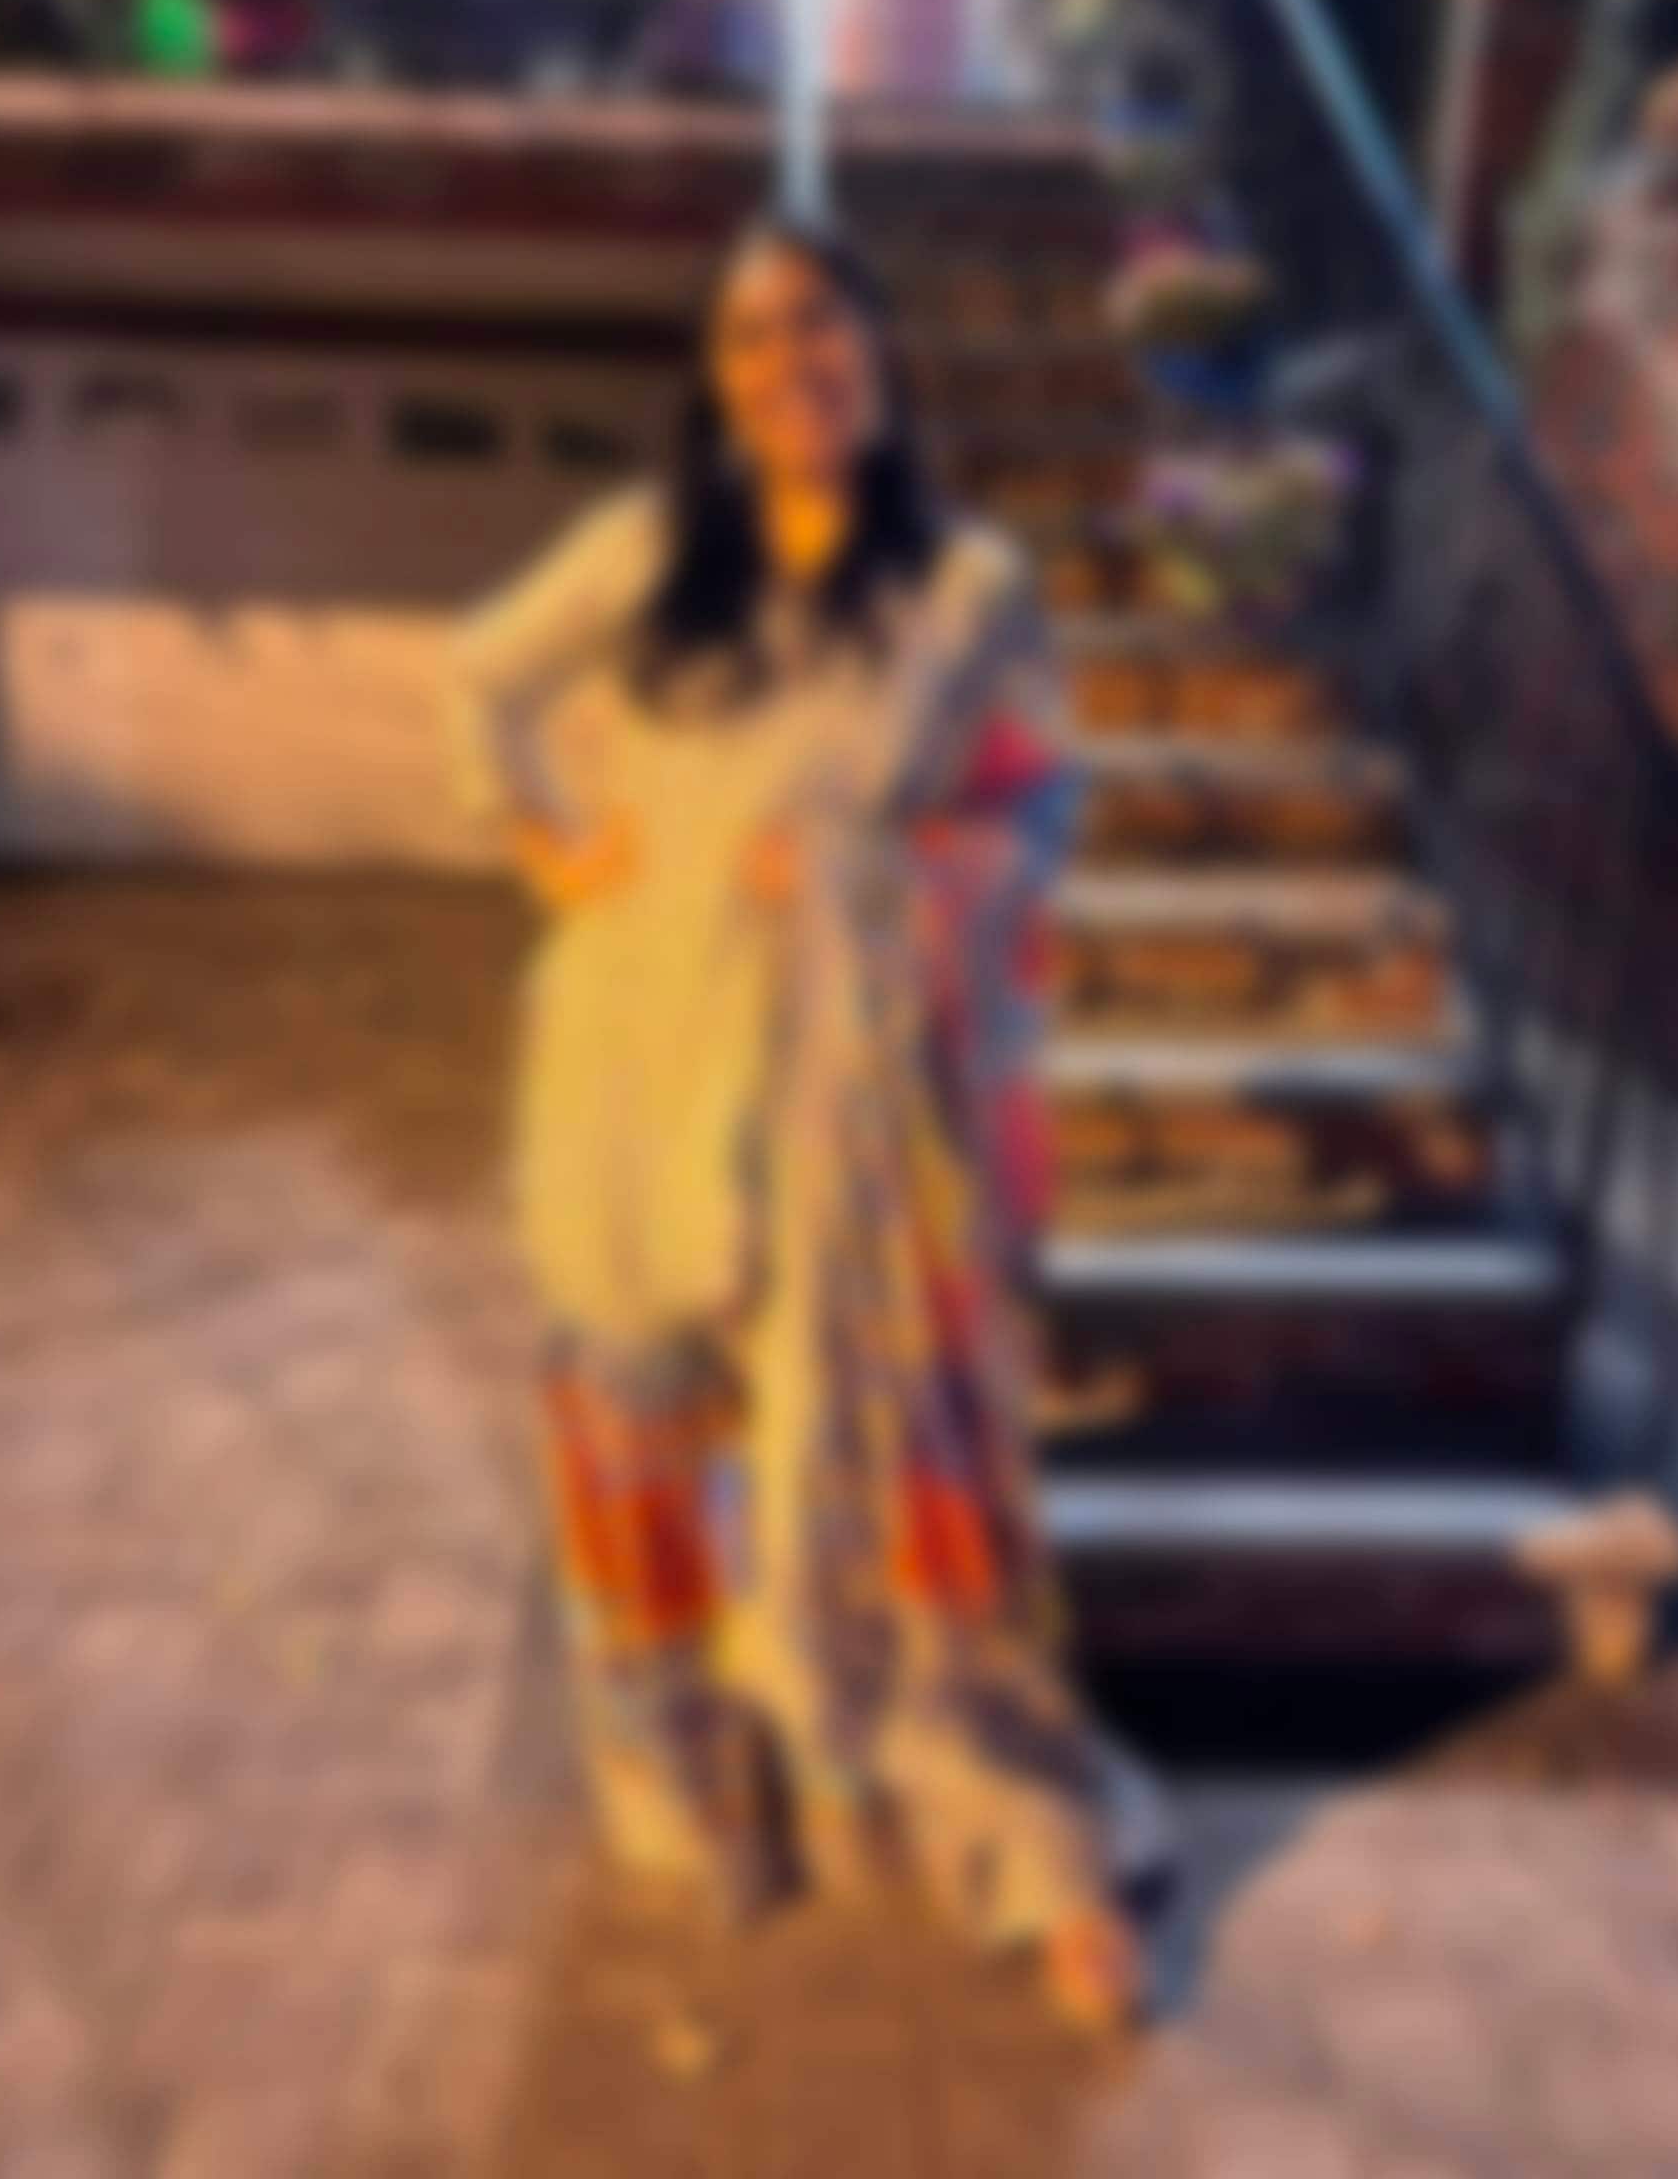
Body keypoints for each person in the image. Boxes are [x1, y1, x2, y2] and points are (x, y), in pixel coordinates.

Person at [449, 217, 1147, 2031]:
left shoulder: (971, 587)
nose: (788, 362)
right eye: (749, 337)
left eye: (819, 320)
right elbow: (480, 676)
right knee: (636, 1404)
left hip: (853, 1078)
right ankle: (692, 1774)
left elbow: (1041, 805)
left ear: (879, 345)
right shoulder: (645, 551)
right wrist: (555, 851)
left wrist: (894, 880)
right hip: (637, 1045)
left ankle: (996, 1810)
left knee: (893, 1434)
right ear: (715, 378)